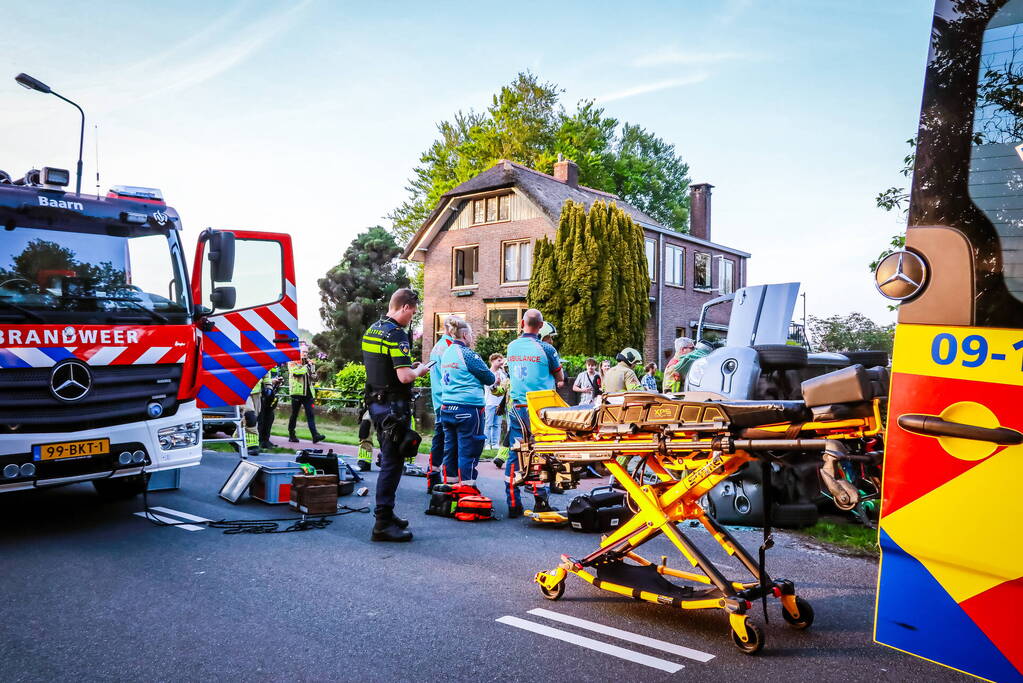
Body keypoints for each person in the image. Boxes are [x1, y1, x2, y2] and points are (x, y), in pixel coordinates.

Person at [361, 288, 431, 542]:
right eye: (412, 313)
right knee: (392, 464)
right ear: (405, 307)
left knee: (390, 460)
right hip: (393, 407)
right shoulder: (396, 334)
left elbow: (384, 367)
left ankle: (388, 515)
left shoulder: (374, 329)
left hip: (376, 404)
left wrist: (406, 370)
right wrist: (420, 371)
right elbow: (404, 376)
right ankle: (382, 524)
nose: (412, 318)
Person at [504, 309, 565, 517]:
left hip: (517, 406)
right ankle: (541, 501)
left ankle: (513, 502)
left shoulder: (511, 347)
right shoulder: (546, 348)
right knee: (541, 453)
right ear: (540, 327)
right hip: (540, 409)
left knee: (515, 452)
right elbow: (560, 376)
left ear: (522, 323)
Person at [439, 319, 495, 489]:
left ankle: (449, 487)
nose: (471, 337)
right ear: (464, 334)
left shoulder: (446, 353)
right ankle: (467, 488)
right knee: (469, 449)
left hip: (447, 407)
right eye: (471, 334)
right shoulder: (468, 354)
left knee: (451, 450)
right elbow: (489, 378)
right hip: (468, 409)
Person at [425, 316, 457, 488]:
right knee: (447, 440)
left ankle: (433, 474)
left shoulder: (439, 347)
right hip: (448, 399)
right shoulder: (449, 349)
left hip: (440, 399)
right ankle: (446, 479)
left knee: (440, 438)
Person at [288, 347, 325, 444]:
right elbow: (296, 372)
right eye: (303, 352)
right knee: (294, 414)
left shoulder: (309, 363)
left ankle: (315, 436)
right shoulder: (293, 361)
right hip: (297, 392)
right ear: (299, 352)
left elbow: (313, 377)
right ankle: (291, 434)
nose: (305, 354)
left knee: (310, 414)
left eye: (306, 352)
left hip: (308, 393)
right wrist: (306, 366)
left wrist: (315, 375)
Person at [257, 363, 285, 449]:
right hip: (261, 393)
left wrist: (277, 381)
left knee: (269, 417)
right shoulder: (261, 363)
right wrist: (270, 382)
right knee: (261, 418)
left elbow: (272, 375)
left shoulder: (274, 365)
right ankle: (260, 441)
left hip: (270, 394)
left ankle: (266, 440)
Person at [483, 352, 508, 450]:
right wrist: (496, 383)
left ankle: (495, 443)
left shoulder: (502, 373)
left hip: (499, 403)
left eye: (501, 360)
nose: (501, 362)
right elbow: (489, 387)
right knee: (488, 424)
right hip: (489, 402)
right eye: (499, 360)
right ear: (492, 361)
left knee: (497, 424)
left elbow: (505, 386)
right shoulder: (488, 373)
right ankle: (486, 444)